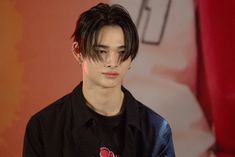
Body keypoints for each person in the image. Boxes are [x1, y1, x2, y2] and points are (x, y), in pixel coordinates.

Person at [23, 3, 175, 157]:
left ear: (131, 58)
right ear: (78, 52)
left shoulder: (156, 131)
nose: (112, 62)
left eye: (122, 52)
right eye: (102, 51)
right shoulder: (44, 127)